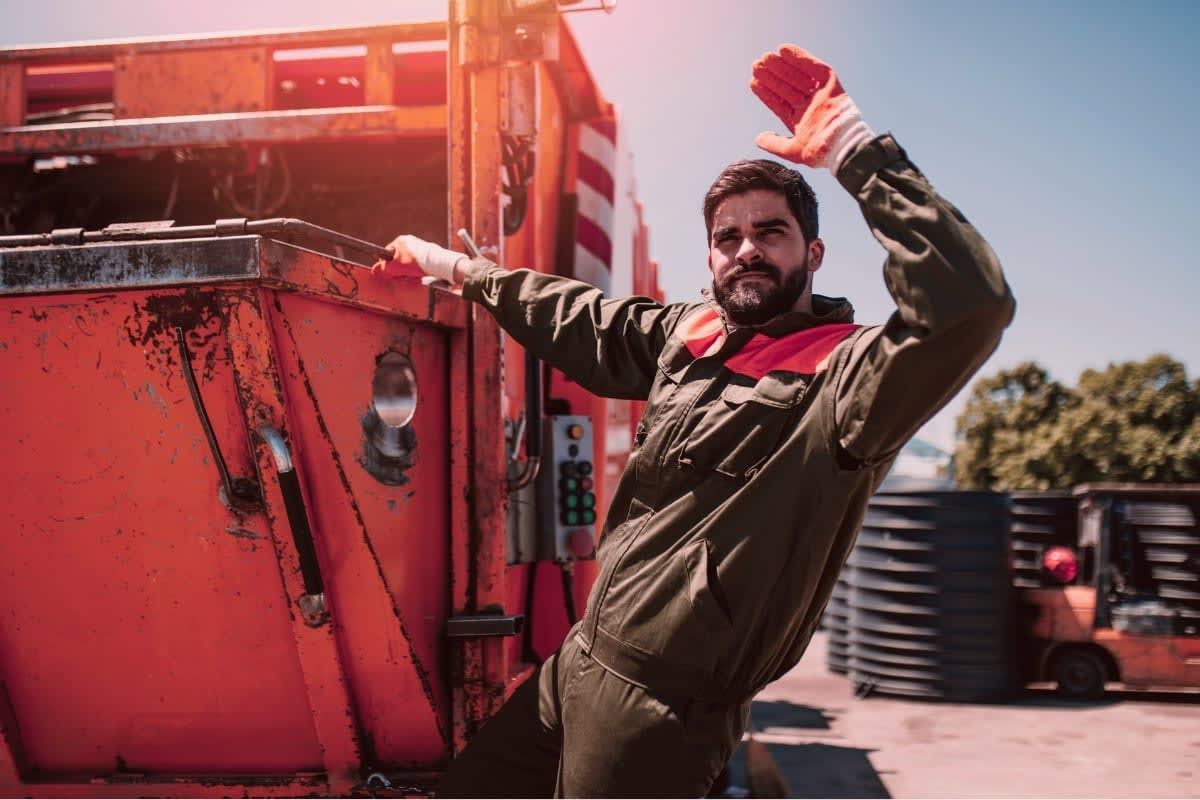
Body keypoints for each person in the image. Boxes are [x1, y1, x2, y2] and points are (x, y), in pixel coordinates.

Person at [376, 44, 1014, 798]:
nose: (747, 251)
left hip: (659, 710)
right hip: (579, 662)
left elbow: (970, 304)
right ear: (710, 257)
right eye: (727, 238)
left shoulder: (848, 381)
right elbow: (580, 316)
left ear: (812, 252)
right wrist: (455, 269)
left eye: (769, 234)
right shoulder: (691, 335)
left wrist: (851, 147)